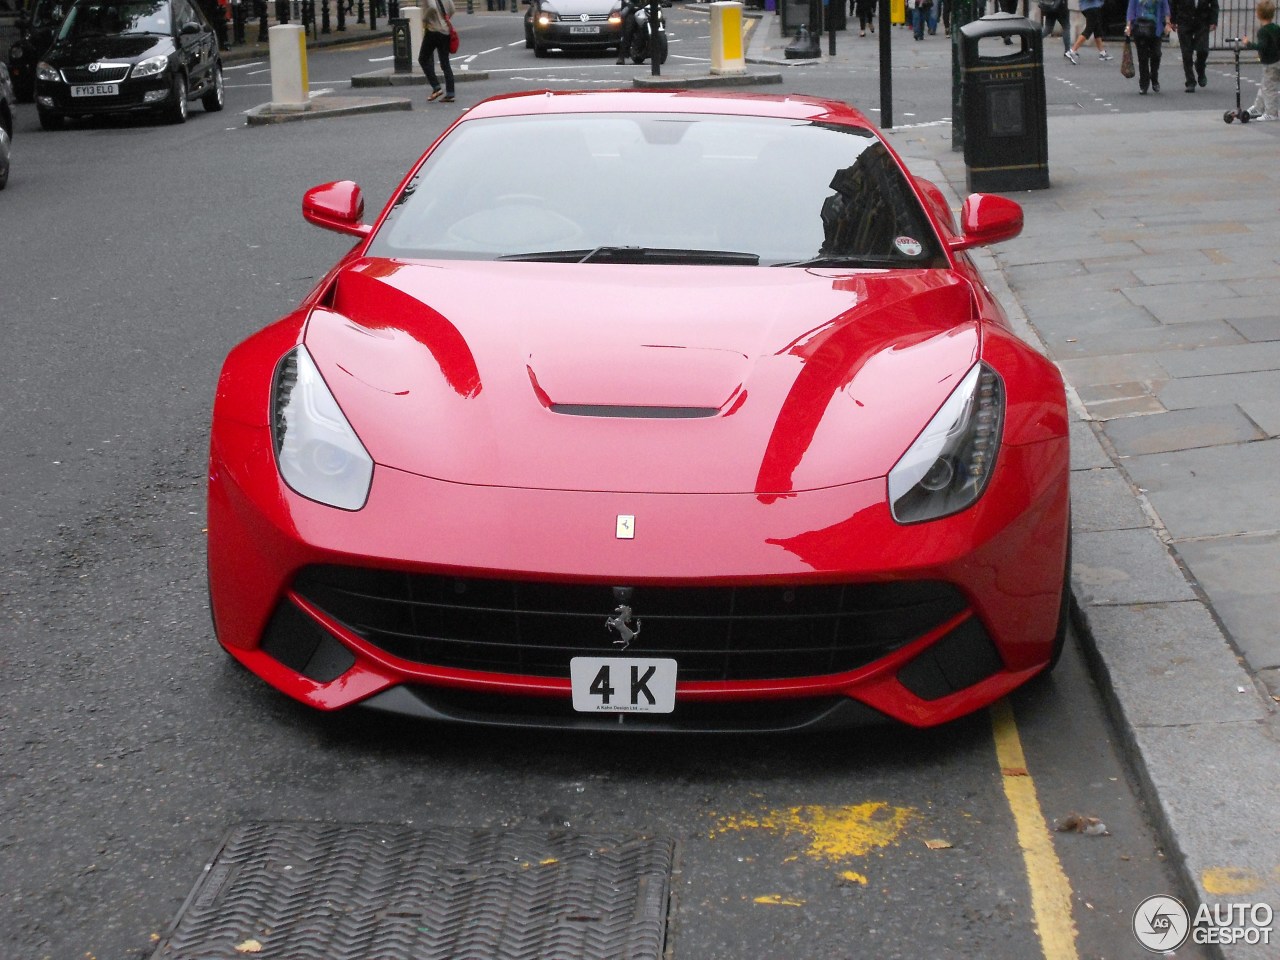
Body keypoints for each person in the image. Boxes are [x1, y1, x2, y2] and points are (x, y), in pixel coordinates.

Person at [1241, 0, 1280, 118]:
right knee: (1265, 85)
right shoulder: (1276, 27)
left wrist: (1248, 43)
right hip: (1278, 60)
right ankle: (1258, 107)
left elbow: (1262, 46)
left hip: (1270, 63)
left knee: (1269, 88)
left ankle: (1271, 113)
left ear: (1258, 14)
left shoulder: (1263, 31)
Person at [1170, 0, 1217, 91]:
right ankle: (1190, 82)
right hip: (1184, 20)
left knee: (1203, 50)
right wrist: (1173, 20)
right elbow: (1173, 3)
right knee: (1186, 53)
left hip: (1202, 21)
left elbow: (1214, 5)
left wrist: (1213, 21)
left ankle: (1200, 68)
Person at [1125, 0, 1170, 93]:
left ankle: (1154, 77)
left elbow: (1165, 7)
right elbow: (1131, 8)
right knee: (1143, 57)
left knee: (1156, 54)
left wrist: (1167, 23)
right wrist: (1129, 25)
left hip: (1155, 28)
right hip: (1139, 27)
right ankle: (1144, 84)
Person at [420, 0, 456, 103]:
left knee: (423, 59)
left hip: (433, 31)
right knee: (445, 63)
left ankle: (436, 87)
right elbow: (452, 9)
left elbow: (431, 7)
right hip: (445, 31)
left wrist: (425, 19)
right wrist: (444, 18)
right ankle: (450, 93)